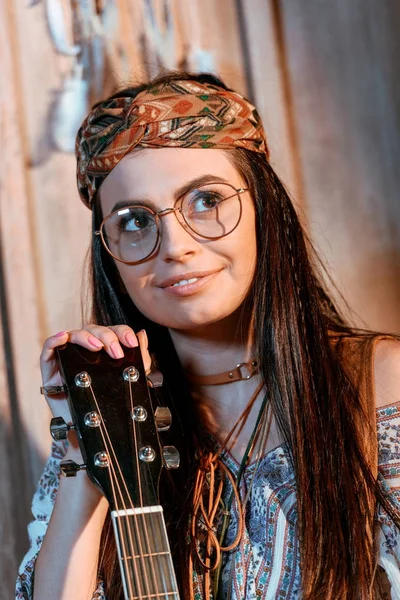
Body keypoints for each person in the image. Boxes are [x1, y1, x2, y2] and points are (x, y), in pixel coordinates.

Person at [16, 71, 400, 600]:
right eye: (134, 222)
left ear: (264, 209)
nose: (174, 246)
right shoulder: (108, 416)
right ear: (110, 255)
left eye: (206, 200)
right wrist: (86, 457)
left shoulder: (384, 384)